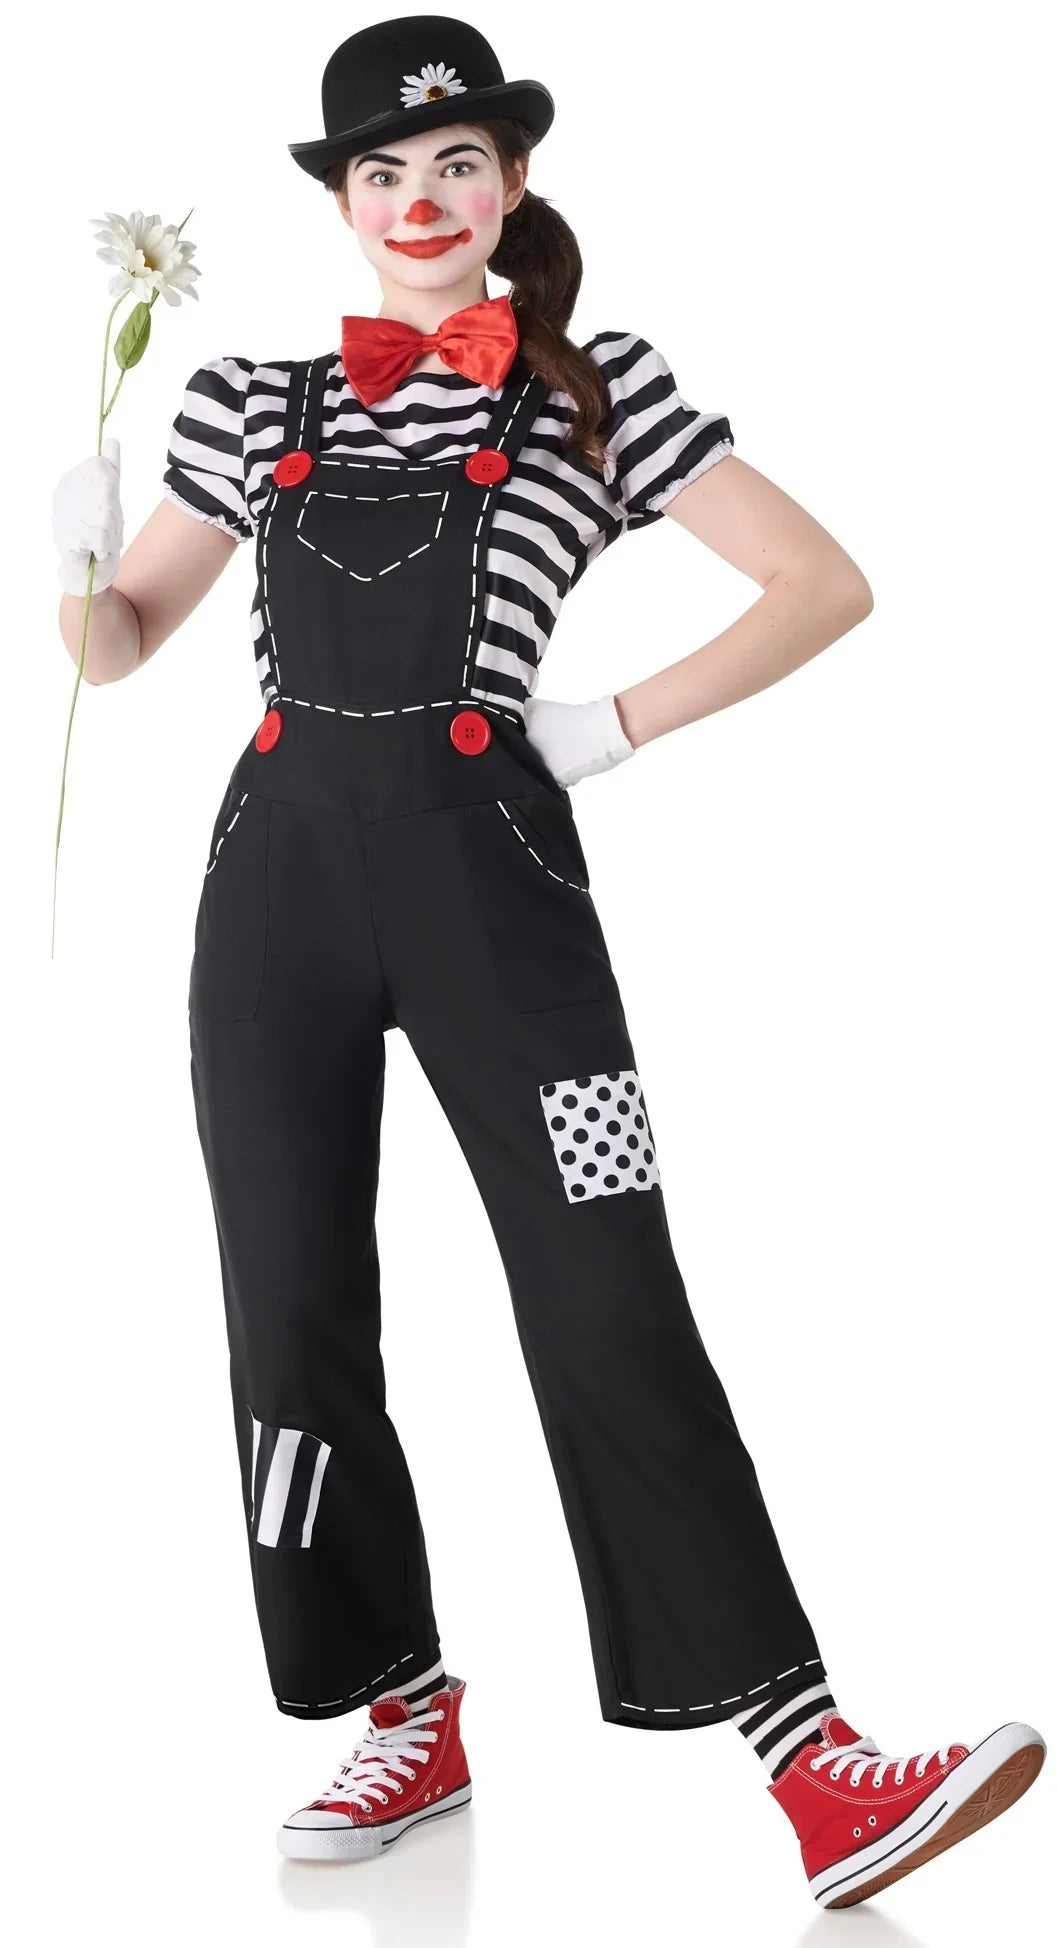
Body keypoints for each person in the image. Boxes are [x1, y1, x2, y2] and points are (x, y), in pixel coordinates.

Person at [52, 13, 1044, 1907]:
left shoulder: (601, 391)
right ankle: (397, 1711)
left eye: (457, 166)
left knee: (606, 1289)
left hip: (500, 887)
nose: (421, 201)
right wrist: (73, 565)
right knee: (288, 1304)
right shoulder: (249, 400)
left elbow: (822, 585)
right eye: (384, 173)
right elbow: (118, 655)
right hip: (270, 900)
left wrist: (610, 723)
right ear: (343, 203)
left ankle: (812, 1762)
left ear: (510, 184)